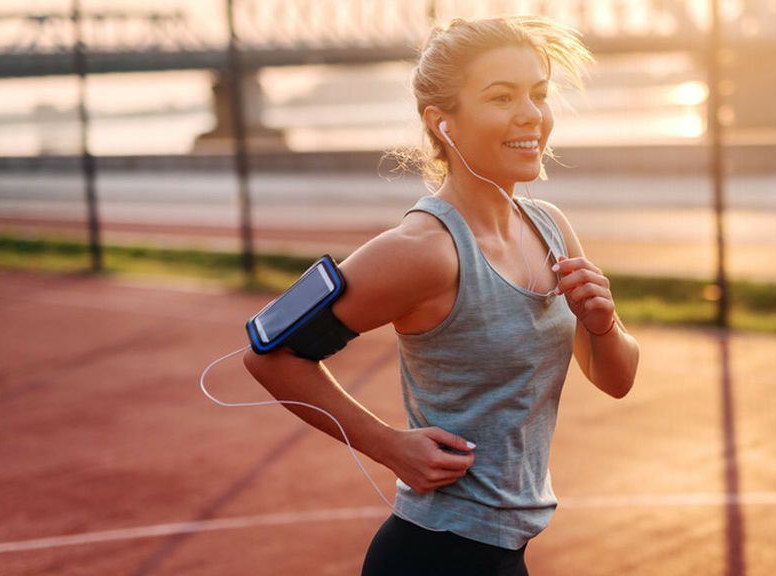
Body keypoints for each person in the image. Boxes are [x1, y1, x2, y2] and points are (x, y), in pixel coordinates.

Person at [243, 15, 640, 576]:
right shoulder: (422, 249)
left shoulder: (550, 227)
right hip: (433, 555)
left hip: (508, 553)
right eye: (502, 97)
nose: (531, 114)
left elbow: (616, 380)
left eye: (539, 94)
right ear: (443, 124)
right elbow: (270, 355)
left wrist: (603, 323)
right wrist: (388, 445)